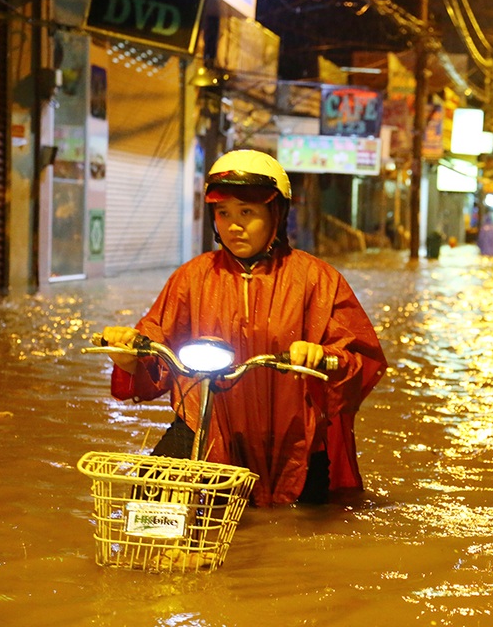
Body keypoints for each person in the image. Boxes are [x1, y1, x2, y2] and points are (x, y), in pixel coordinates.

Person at [101, 149, 388, 507]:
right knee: (148, 496)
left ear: (276, 214)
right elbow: (156, 338)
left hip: (294, 438)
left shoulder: (317, 280)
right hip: (207, 424)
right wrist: (129, 355)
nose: (233, 225)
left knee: (307, 537)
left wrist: (324, 356)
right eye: (223, 213)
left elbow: (362, 360)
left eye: (247, 213)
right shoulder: (191, 278)